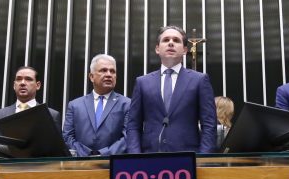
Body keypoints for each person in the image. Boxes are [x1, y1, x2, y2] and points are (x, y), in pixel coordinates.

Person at [126, 25, 217, 153]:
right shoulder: (142, 82)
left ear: (185, 50)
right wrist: (135, 157)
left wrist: (203, 159)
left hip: (188, 159)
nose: (170, 43)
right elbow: (133, 125)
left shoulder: (199, 80)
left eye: (176, 40)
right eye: (166, 40)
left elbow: (209, 124)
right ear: (157, 49)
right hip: (150, 158)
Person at [64, 55, 130, 156]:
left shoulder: (127, 104)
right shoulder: (75, 105)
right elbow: (67, 137)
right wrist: (87, 155)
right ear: (91, 77)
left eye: (112, 71)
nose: (109, 74)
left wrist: (102, 154)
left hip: (113, 165)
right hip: (80, 165)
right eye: (103, 70)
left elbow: (128, 137)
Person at [0, 66, 62, 133]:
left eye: (28, 79)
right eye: (18, 79)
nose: (22, 83)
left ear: (38, 85)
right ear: (14, 85)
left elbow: (55, 145)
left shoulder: (51, 115)